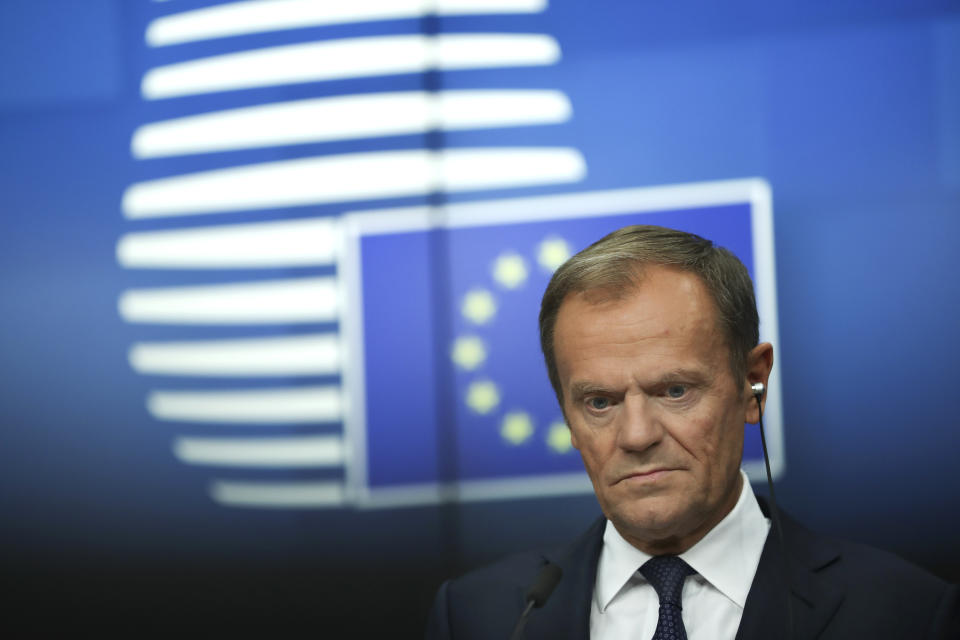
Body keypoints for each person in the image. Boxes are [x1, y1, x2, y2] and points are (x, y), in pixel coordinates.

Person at [425, 225, 958, 639]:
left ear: (754, 383)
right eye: (600, 401)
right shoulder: (482, 617)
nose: (636, 436)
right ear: (568, 416)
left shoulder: (905, 612)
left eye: (674, 391)